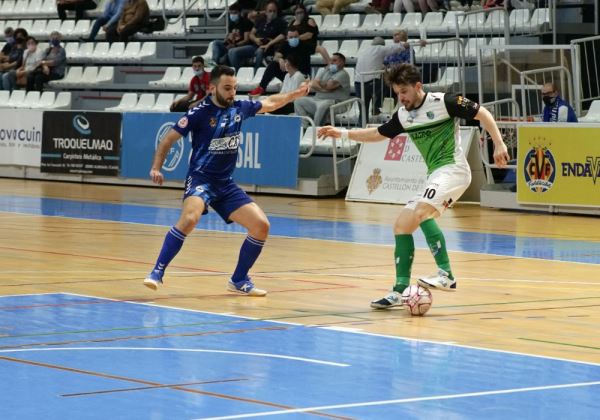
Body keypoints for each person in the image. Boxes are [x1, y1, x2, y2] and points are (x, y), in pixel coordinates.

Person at [317, 63, 509, 308]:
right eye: (397, 93)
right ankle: (399, 290)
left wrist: (499, 144)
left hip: (453, 169)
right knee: (402, 225)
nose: (401, 98)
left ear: (418, 86)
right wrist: (343, 133)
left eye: (404, 92)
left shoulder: (444, 101)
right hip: (434, 174)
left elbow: (482, 113)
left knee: (421, 212)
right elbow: (378, 134)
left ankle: (446, 274)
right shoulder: (403, 115)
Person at [143, 65, 310, 295]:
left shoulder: (240, 108)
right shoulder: (198, 113)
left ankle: (239, 280)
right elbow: (167, 140)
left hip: (225, 184)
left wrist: (294, 94)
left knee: (261, 226)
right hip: (201, 179)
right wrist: (156, 167)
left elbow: (271, 103)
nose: (232, 93)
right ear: (212, 88)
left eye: (235, 88)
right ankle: (157, 271)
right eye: (227, 88)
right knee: (190, 219)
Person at [355, 36, 408, 119]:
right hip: (371, 82)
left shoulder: (364, 51)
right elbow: (397, 47)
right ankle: (377, 106)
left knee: (363, 110)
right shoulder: (380, 49)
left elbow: (372, 64)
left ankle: (362, 127)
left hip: (358, 83)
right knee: (388, 84)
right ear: (382, 45)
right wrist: (410, 43)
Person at [248, 28, 311, 96]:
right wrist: (280, 60)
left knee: (295, 74)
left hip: (301, 74)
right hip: (290, 73)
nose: (293, 39)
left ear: (299, 36)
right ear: (287, 38)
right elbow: (276, 57)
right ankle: (261, 88)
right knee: (273, 65)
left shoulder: (305, 46)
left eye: (295, 37)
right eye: (291, 37)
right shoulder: (285, 45)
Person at [294, 52, 351, 126]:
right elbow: (313, 83)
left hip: (337, 103)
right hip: (317, 99)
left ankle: (315, 130)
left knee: (323, 105)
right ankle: (304, 127)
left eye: (334, 60)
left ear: (342, 62)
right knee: (298, 101)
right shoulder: (325, 70)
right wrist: (323, 89)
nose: (331, 62)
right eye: (331, 60)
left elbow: (329, 86)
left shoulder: (343, 74)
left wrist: (320, 84)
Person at [227, 1, 287, 71]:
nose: (272, 13)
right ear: (266, 12)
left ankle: (256, 74)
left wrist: (270, 43)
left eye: (274, 11)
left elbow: (283, 35)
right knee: (232, 52)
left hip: (269, 47)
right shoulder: (261, 20)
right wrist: (255, 39)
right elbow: (251, 34)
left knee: (259, 51)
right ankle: (238, 73)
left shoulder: (281, 22)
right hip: (255, 45)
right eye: (270, 11)